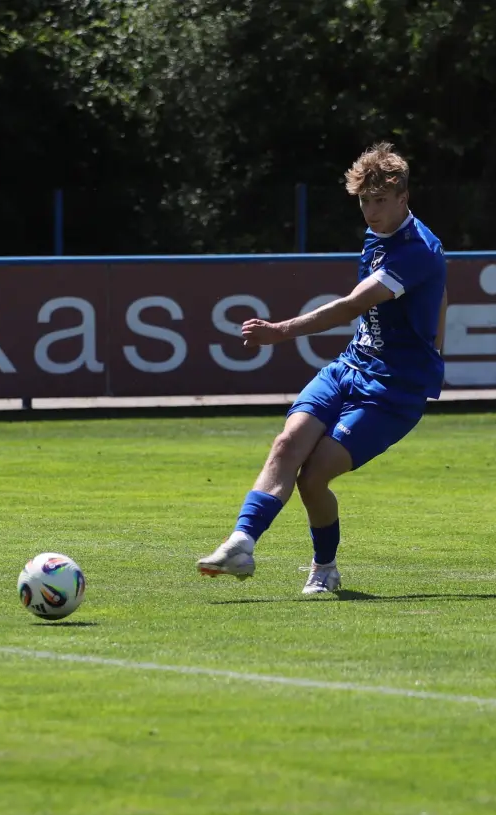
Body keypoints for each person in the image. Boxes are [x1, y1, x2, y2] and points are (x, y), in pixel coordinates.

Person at [196, 143, 448, 594]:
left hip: (393, 391)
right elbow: (441, 297)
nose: (370, 212)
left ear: (403, 198)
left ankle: (324, 567)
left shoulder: (418, 251)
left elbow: (352, 305)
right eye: (364, 202)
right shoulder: (381, 237)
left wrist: (280, 330)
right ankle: (241, 543)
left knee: (314, 476)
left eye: (380, 201)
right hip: (350, 366)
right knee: (287, 442)